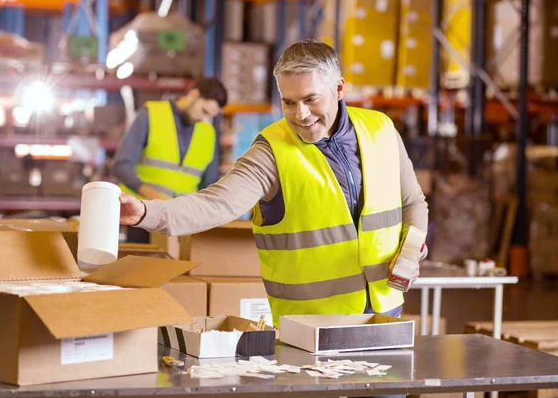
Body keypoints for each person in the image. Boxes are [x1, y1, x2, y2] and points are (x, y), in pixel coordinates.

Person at [119, 40, 428, 326]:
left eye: (311, 99)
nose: (301, 114)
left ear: (339, 89)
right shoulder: (271, 152)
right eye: (288, 102)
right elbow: (217, 203)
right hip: (310, 328)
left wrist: (412, 251)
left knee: (386, 389)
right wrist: (147, 213)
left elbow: (412, 202)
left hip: (385, 315)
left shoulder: (381, 129)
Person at [112, 77, 228, 242]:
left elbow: (209, 185)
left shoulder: (208, 133)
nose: (203, 119)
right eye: (204, 111)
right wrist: (157, 200)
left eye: (209, 115)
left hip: (182, 224)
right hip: (142, 217)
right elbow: (121, 166)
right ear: (194, 95)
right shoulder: (151, 114)